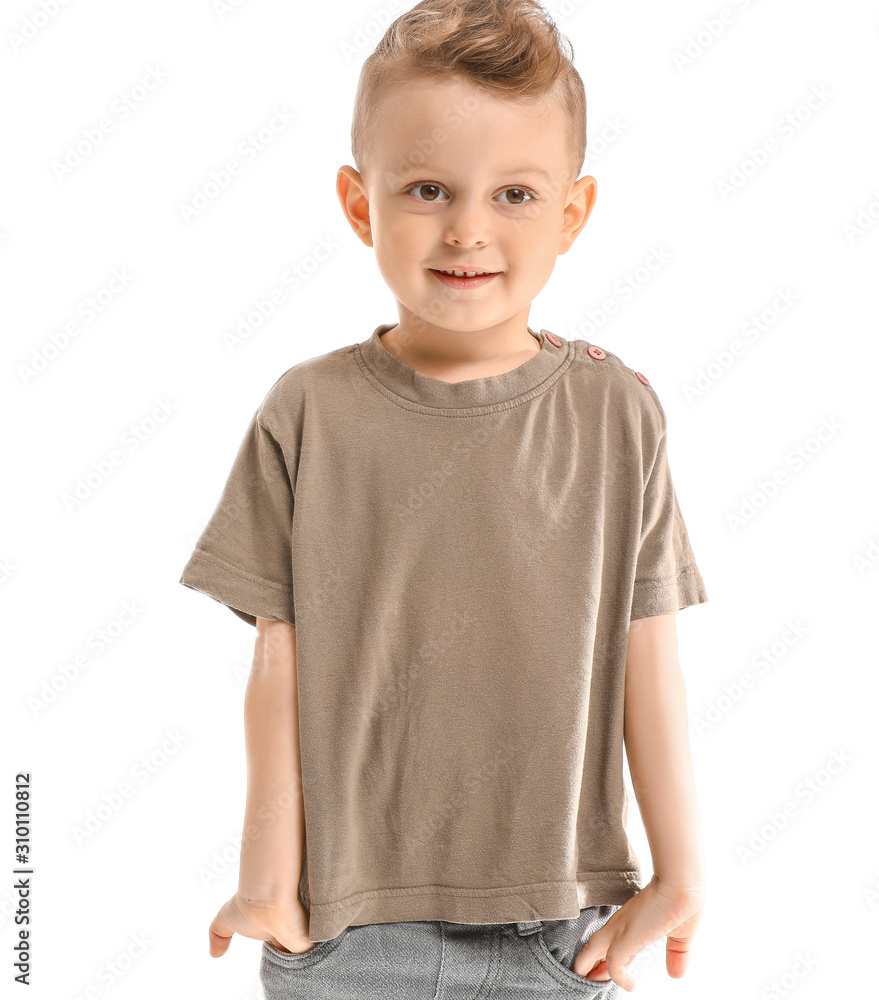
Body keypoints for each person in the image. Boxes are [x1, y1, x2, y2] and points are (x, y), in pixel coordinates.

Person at [178, 0, 710, 995]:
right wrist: (266, 878)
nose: (468, 229)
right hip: (339, 927)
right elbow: (277, 656)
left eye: (514, 193)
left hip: (556, 930)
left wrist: (682, 869)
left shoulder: (618, 414)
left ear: (572, 214)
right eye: (428, 188)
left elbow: (648, 651)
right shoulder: (307, 413)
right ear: (358, 202)